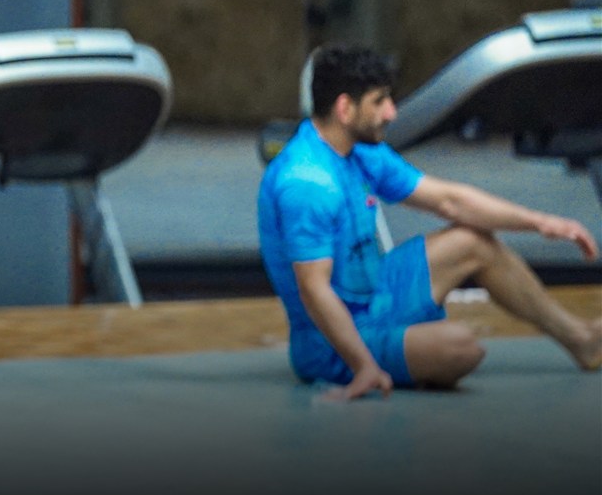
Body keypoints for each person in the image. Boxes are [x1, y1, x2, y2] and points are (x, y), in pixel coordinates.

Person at [257, 44, 601, 400]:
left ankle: (581, 338)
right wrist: (363, 367)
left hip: (375, 290)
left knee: (472, 243)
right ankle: (390, 351)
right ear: (345, 108)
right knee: (461, 348)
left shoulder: (360, 152)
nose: (392, 112)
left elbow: (449, 200)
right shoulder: (308, 183)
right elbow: (314, 290)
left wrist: (542, 223)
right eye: (379, 101)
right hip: (328, 343)